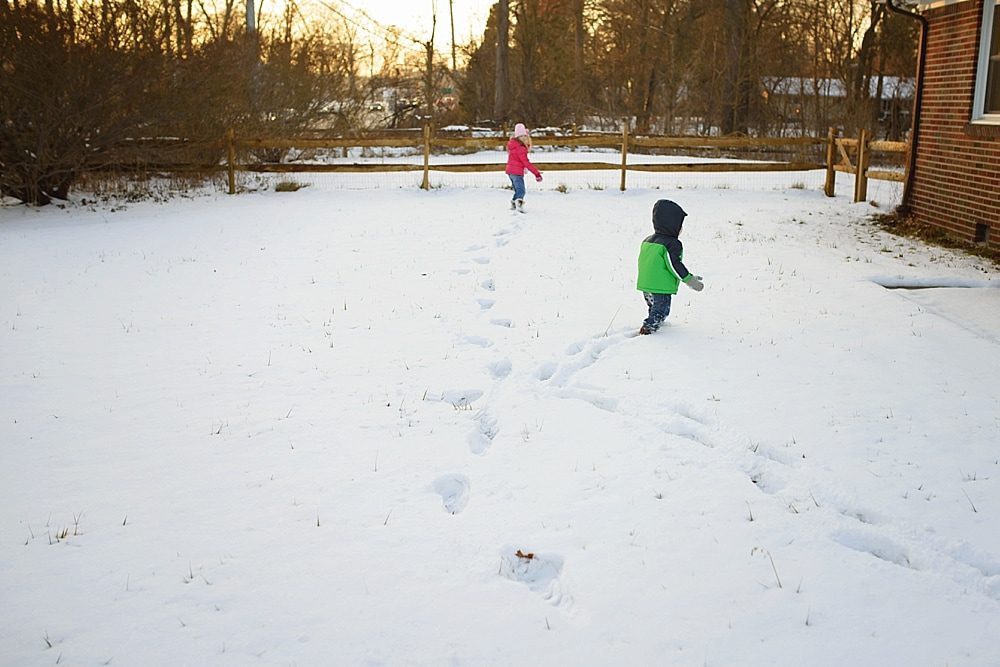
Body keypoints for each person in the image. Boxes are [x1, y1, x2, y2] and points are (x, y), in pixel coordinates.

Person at [636, 199, 704, 334]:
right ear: (672, 224)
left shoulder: (648, 240)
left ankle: (653, 322)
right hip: (660, 287)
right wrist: (690, 280)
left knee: (654, 308)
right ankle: (648, 329)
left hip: (647, 285)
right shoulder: (672, 244)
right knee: (661, 310)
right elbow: (674, 265)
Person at [505, 123, 542, 213]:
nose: (525, 138)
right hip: (516, 172)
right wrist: (536, 173)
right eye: (523, 136)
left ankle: (514, 203)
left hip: (510, 171)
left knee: (518, 190)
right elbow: (526, 162)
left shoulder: (513, 146)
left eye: (525, 136)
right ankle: (519, 204)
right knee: (521, 191)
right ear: (519, 137)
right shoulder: (521, 148)